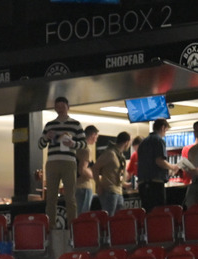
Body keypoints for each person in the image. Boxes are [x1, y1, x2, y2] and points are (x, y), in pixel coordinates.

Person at [38, 96, 87, 227]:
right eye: (57, 106)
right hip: (52, 162)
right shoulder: (50, 125)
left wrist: (73, 143)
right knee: (51, 197)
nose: (59, 108)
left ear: (67, 107)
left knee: (70, 197)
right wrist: (47, 137)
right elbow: (40, 144)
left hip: (69, 162)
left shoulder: (75, 124)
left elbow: (83, 144)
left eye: (62, 106)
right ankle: (51, 226)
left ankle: (72, 226)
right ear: (54, 108)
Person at [136, 118, 179, 212]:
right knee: (159, 212)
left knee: (147, 212)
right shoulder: (159, 141)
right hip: (155, 183)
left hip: (143, 184)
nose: (165, 133)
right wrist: (173, 167)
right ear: (163, 127)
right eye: (166, 131)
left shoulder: (143, 142)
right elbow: (159, 161)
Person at [92, 131, 131, 217]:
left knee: (118, 218)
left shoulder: (120, 156)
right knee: (110, 217)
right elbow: (95, 167)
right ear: (127, 142)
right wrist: (98, 185)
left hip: (118, 190)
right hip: (109, 190)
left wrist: (124, 184)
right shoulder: (110, 154)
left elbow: (113, 174)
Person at [74, 125, 100, 214]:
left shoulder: (78, 147)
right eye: (96, 137)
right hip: (84, 187)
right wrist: (96, 177)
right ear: (93, 135)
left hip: (75, 185)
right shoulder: (87, 149)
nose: (96, 140)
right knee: (83, 215)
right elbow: (82, 170)